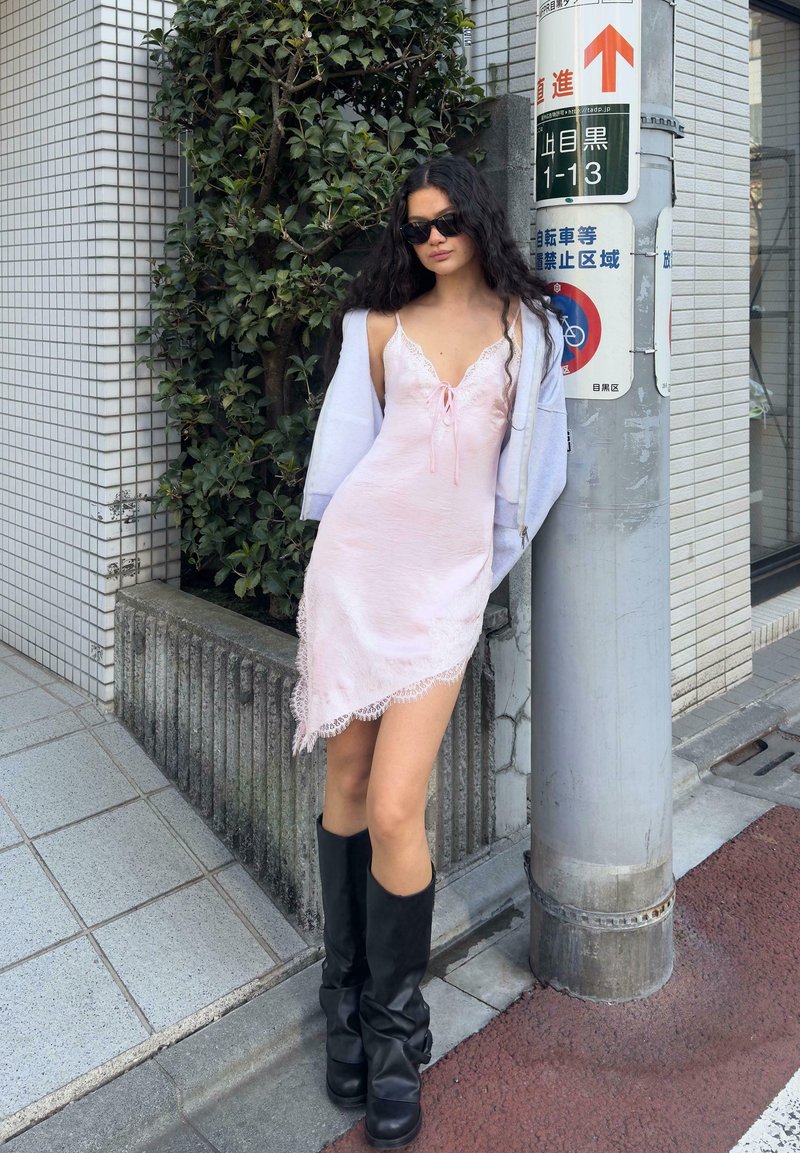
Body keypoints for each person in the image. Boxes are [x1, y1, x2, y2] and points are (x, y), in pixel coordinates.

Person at [290, 153, 567, 1149]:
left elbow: (536, 473)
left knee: (397, 803)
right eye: (417, 227)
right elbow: (342, 468)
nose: (435, 238)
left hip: (443, 592)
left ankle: (394, 1034)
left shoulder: (529, 330)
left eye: (448, 220)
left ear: (479, 221)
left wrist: (479, 571)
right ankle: (344, 999)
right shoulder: (375, 329)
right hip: (358, 571)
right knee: (348, 773)